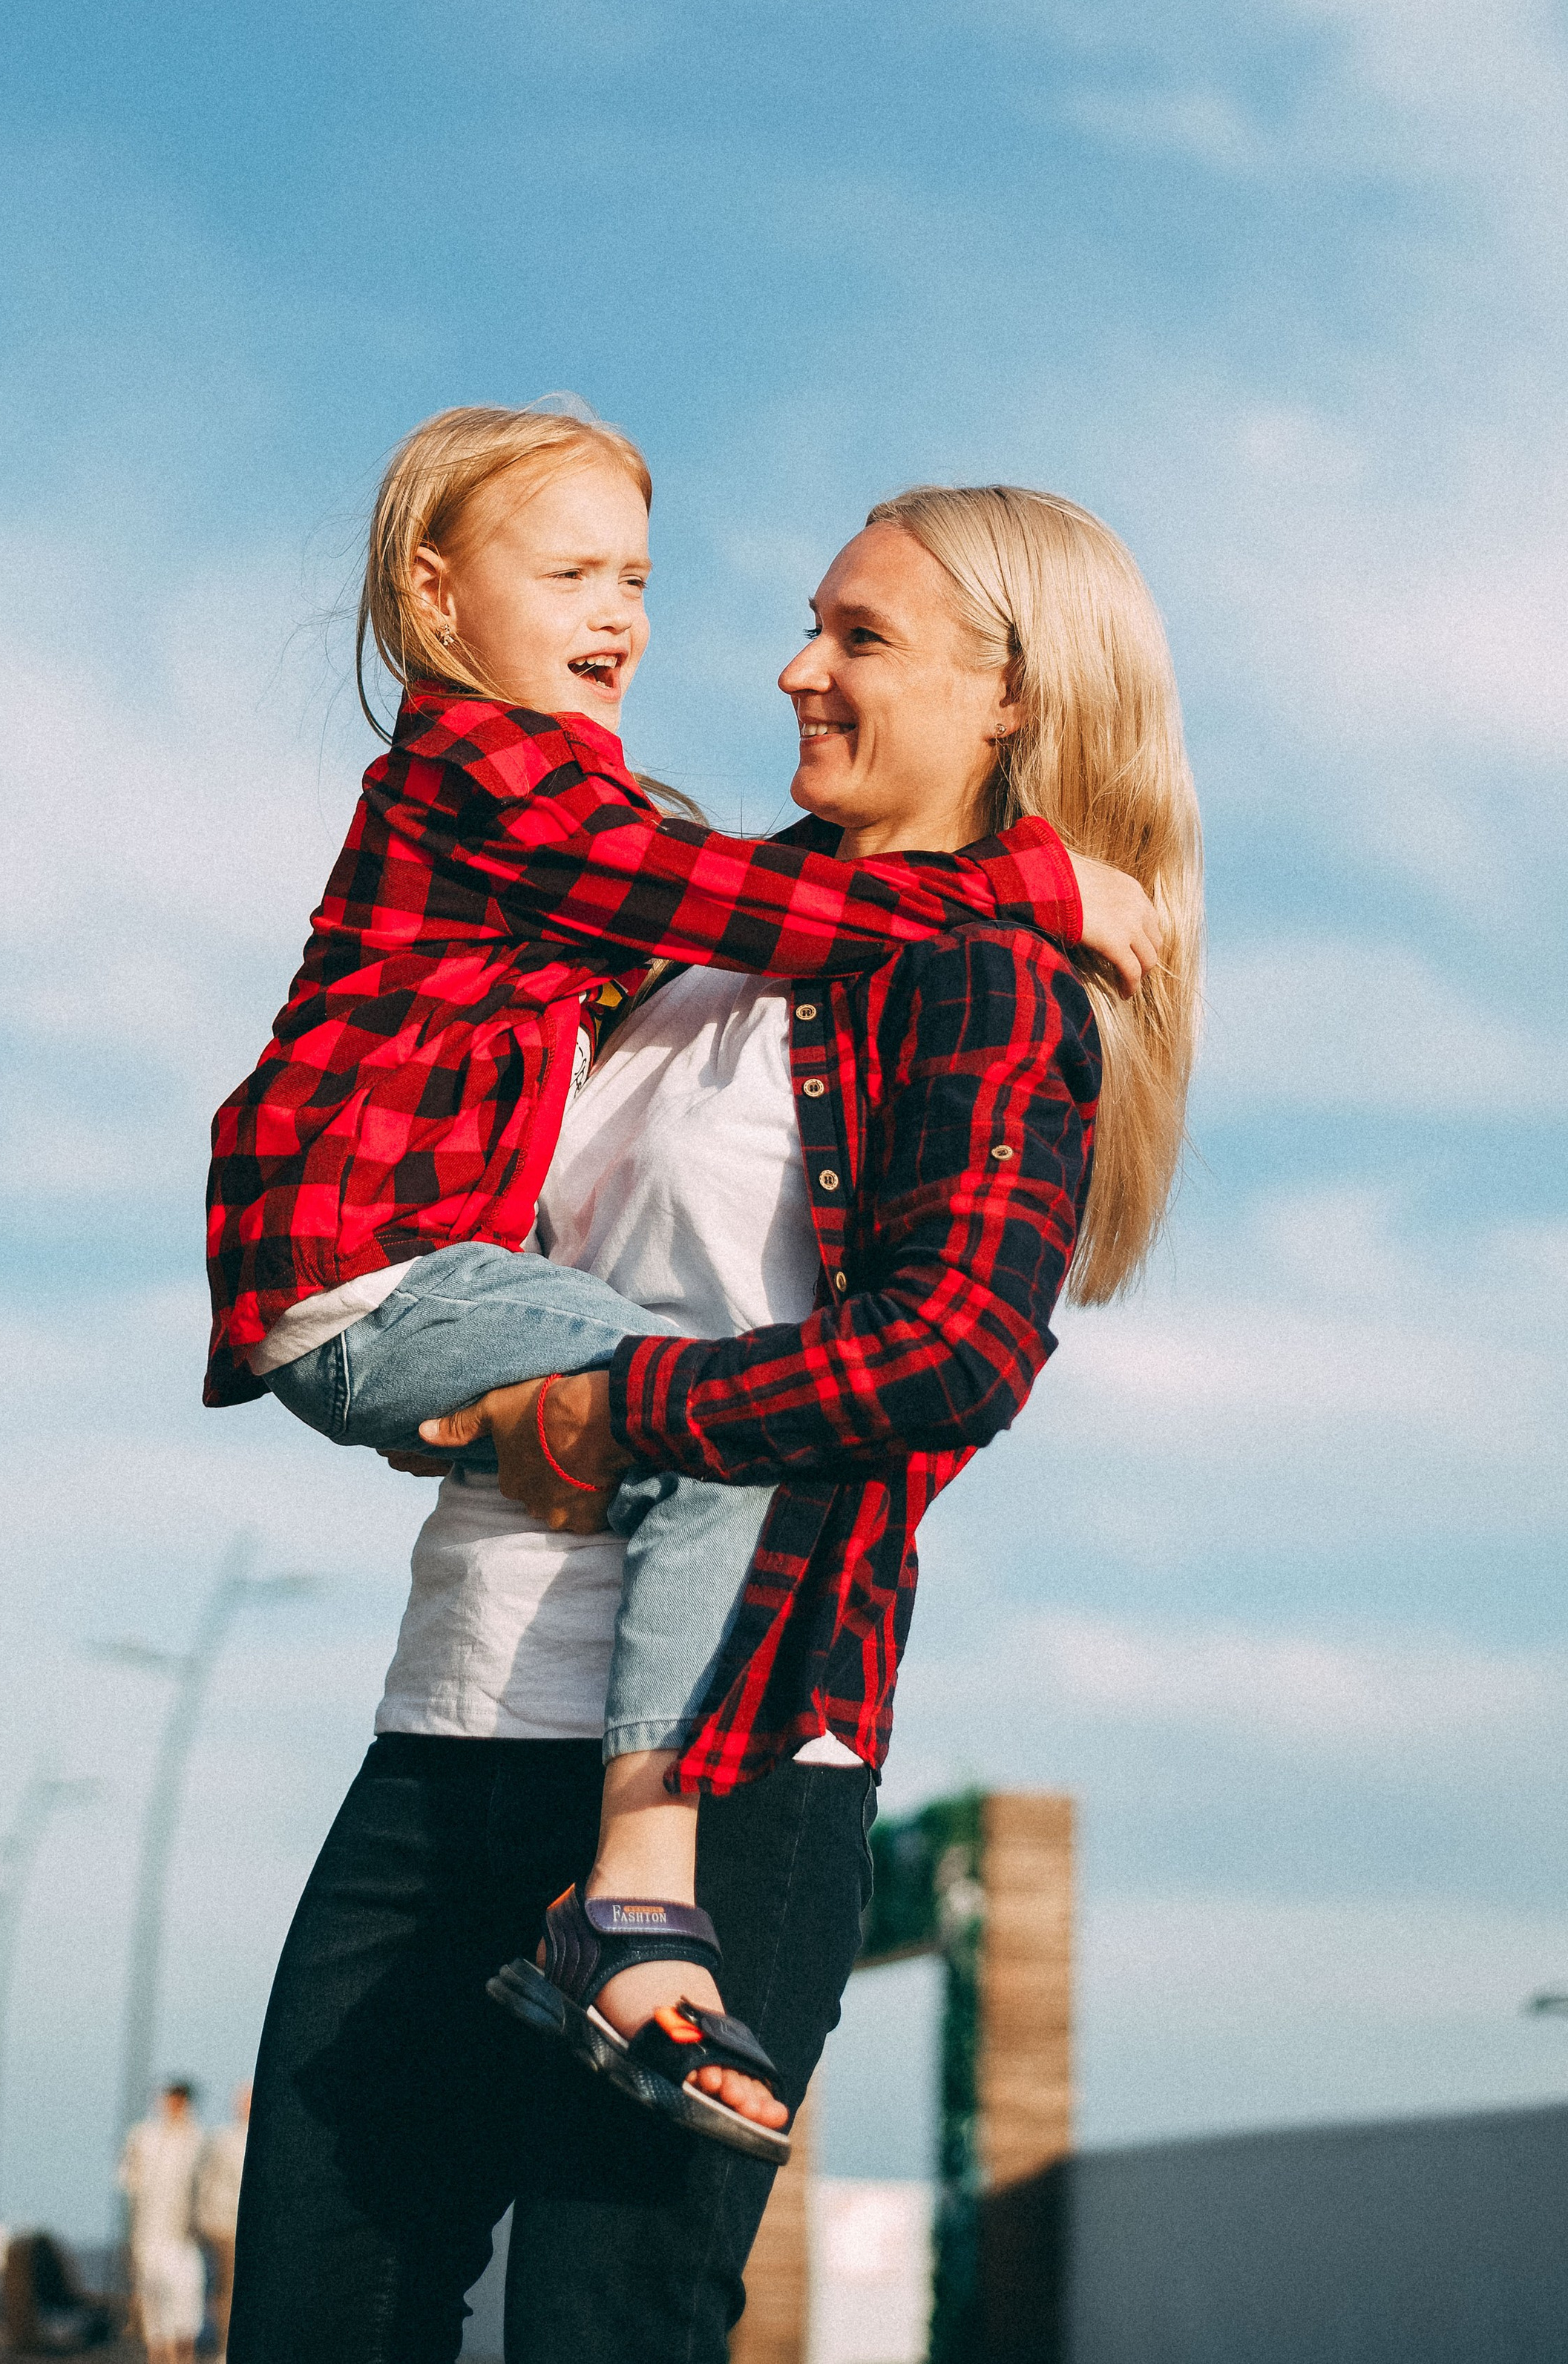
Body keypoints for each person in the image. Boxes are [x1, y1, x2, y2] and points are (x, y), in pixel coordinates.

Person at [228, 479, 1201, 2361]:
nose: (787, 669)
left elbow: (947, 1354)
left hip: (729, 1777)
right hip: (450, 1724)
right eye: (807, 624)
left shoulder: (985, 980)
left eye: (858, 638)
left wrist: (612, 1404)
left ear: (1009, 698)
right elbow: (430, 1255)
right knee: (314, 2313)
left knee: (601, 2334)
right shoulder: (677, 931)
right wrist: (429, 1397)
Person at [117, 2083, 205, 2364]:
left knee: (188, 2290)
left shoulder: (197, 2139)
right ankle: (158, 2356)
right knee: (154, 2294)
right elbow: (127, 2178)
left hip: (184, 2234)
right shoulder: (143, 2135)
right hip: (149, 2231)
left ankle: (184, 2356)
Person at [194, 2089, 249, 2359]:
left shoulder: (272, 2138)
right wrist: (207, 2220)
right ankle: (226, 2348)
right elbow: (207, 2183)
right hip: (228, 2227)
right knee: (228, 2289)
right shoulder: (223, 2140)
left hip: (253, 2229)